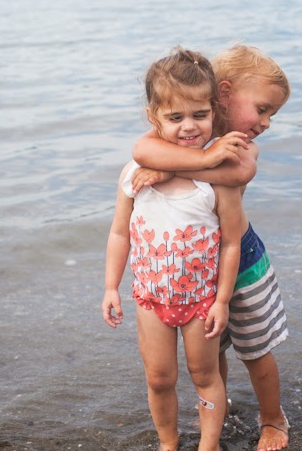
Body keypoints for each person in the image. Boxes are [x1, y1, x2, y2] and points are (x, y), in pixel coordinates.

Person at [130, 44, 291, 451]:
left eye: (272, 115)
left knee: (255, 349)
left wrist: (171, 168)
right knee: (211, 349)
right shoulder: (187, 127)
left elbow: (239, 173)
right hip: (195, 267)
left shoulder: (237, 144)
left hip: (242, 259)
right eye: (262, 109)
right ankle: (216, 416)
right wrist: (189, 160)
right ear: (225, 93)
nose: (266, 123)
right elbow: (140, 151)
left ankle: (273, 419)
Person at [101, 47, 248, 451]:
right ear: (154, 116)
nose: (189, 126)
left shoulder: (217, 179)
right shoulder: (135, 175)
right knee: (159, 378)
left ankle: (208, 445)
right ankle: (168, 442)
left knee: (205, 375)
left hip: (201, 300)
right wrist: (111, 286)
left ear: (214, 112)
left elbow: (231, 243)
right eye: (175, 117)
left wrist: (222, 300)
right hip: (151, 298)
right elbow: (119, 233)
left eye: (199, 115)